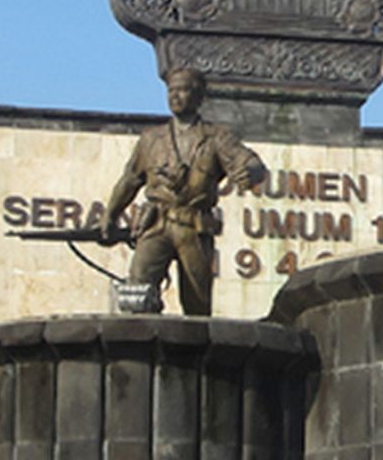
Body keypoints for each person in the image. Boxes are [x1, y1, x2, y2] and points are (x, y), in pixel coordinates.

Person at [101, 68, 265, 315]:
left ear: (198, 96)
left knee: (197, 304)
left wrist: (251, 172)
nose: (175, 96)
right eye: (171, 91)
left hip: (193, 227)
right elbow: (130, 180)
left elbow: (250, 162)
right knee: (137, 290)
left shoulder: (216, 137)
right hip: (156, 224)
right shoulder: (151, 139)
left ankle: (195, 352)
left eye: (183, 90)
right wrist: (110, 214)